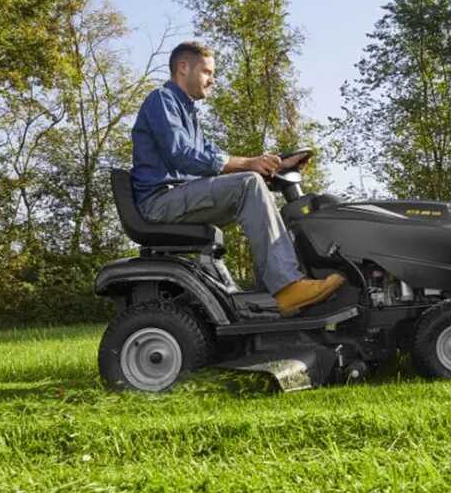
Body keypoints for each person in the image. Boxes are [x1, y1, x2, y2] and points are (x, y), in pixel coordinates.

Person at [130, 41, 345, 316]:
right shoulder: (162, 100)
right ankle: (287, 287)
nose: (212, 80)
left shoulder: (188, 112)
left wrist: (271, 163)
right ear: (183, 68)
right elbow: (183, 155)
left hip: (181, 196)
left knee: (251, 183)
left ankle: (273, 293)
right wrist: (249, 166)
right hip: (160, 201)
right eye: (207, 72)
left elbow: (211, 156)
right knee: (247, 184)